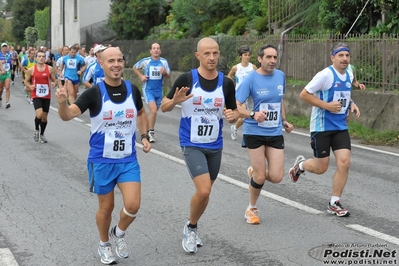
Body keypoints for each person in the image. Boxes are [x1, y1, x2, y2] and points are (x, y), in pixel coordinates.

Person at [55, 47, 151, 265]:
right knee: (106, 208)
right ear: (102, 64)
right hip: (102, 160)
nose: (116, 64)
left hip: (127, 160)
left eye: (119, 60)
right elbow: (68, 115)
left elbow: (141, 112)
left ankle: (119, 232)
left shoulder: (132, 89)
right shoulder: (94, 93)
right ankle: (104, 243)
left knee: (133, 205)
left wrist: (144, 136)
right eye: (111, 61)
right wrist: (62, 104)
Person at [161, 37, 238, 254]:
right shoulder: (186, 79)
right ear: (198, 56)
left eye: (215, 53)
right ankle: (191, 228)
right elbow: (164, 107)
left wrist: (232, 116)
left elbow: (232, 112)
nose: (212, 57)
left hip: (215, 144)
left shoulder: (226, 83)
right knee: (203, 190)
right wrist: (175, 100)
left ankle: (192, 226)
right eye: (207, 54)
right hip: (191, 142)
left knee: (206, 192)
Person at [289, 42, 360, 217]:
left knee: (344, 162)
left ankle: (334, 202)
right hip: (322, 127)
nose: (344, 59)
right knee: (321, 168)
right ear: (332, 57)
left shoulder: (349, 74)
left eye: (347, 55)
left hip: (340, 126)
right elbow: (304, 94)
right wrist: (326, 106)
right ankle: (300, 166)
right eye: (340, 55)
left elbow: (344, 95)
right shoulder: (325, 75)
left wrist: (351, 104)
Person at [235, 44, 294, 225]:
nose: (272, 61)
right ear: (259, 59)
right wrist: (253, 114)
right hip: (254, 131)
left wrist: (284, 120)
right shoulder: (251, 79)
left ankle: (255, 172)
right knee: (261, 177)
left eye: (275, 57)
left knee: (276, 177)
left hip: (274, 131)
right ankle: (251, 209)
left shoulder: (280, 76)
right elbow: (235, 105)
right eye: (268, 57)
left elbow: (279, 100)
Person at [133, 42, 171, 143]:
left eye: (158, 48)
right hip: (148, 90)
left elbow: (169, 76)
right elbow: (134, 67)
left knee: (153, 113)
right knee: (153, 111)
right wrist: (141, 76)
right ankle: (150, 133)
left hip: (159, 91)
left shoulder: (164, 62)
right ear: (151, 51)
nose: (156, 50)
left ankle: (146, 130)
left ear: (160, 51)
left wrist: (165, 73)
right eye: (154, 48)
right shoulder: (146, 61)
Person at [24, 50, 56, 143]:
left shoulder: (50, 69)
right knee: (39, 114)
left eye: (43, 56)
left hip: (46, 95)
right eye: (39, 56)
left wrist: (54, 83)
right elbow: (26, 81)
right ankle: (36, 130)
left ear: (45, 58)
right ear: (36, 58)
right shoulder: (32, 69)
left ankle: (42, 134)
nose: (41, 58)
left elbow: (55, 80)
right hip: (36, 94)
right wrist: (30, 86)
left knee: (44, 117)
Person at [227, 45, 257, 141]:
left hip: (251, 95)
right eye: (245, 55)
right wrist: (230, 87)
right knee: (245, 114)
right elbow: (229, 76)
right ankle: (246, 133)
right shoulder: (236, 68)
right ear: (241, 56)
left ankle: (235, 128)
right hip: (240, 95)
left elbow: (258, 78)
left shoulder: (253, 67)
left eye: (249, 55)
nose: (247, 57)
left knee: (249, 115)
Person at [0, 43, 14, 109]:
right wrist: (1, 62)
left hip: (7, 72)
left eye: (5, 47)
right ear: (1, 48)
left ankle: (7, 102)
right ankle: (0, 97)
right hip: (1, 72)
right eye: (3, 47)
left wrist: (12, 63)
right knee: (0, 89)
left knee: (7, 87)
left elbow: (12, 61)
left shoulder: (10, 54)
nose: (5, 48)